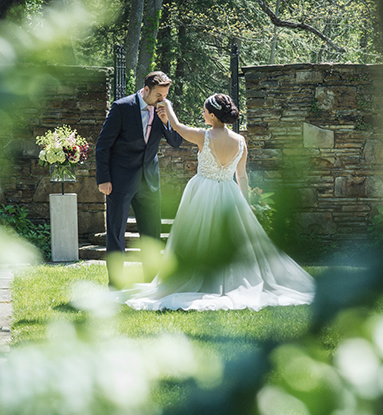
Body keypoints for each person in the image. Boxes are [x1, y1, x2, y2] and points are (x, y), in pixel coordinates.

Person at [124, 93, 315, 311]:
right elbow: (242, 176)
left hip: (202, 191)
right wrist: (247, 204)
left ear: (213, 116)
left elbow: (176, 126)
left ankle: (197, 278)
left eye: (205, 111)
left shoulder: (202, 136)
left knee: (195, 238)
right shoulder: (240, 141)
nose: (202, 113)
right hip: (230, 195)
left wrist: (167, 104)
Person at [95, 71, 183, 288]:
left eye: (165, 95)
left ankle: (152, 282)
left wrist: (166, 120)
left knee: (152, 234)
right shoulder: (122, 107)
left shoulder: (164, 110)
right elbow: (103, 145)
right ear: (146, 90)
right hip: (119, 180)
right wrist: (103, 178)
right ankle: (115, 283)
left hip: (149, 181)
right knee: (116, 232)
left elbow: (176, 142)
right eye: (158, 95)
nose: (162, 99)